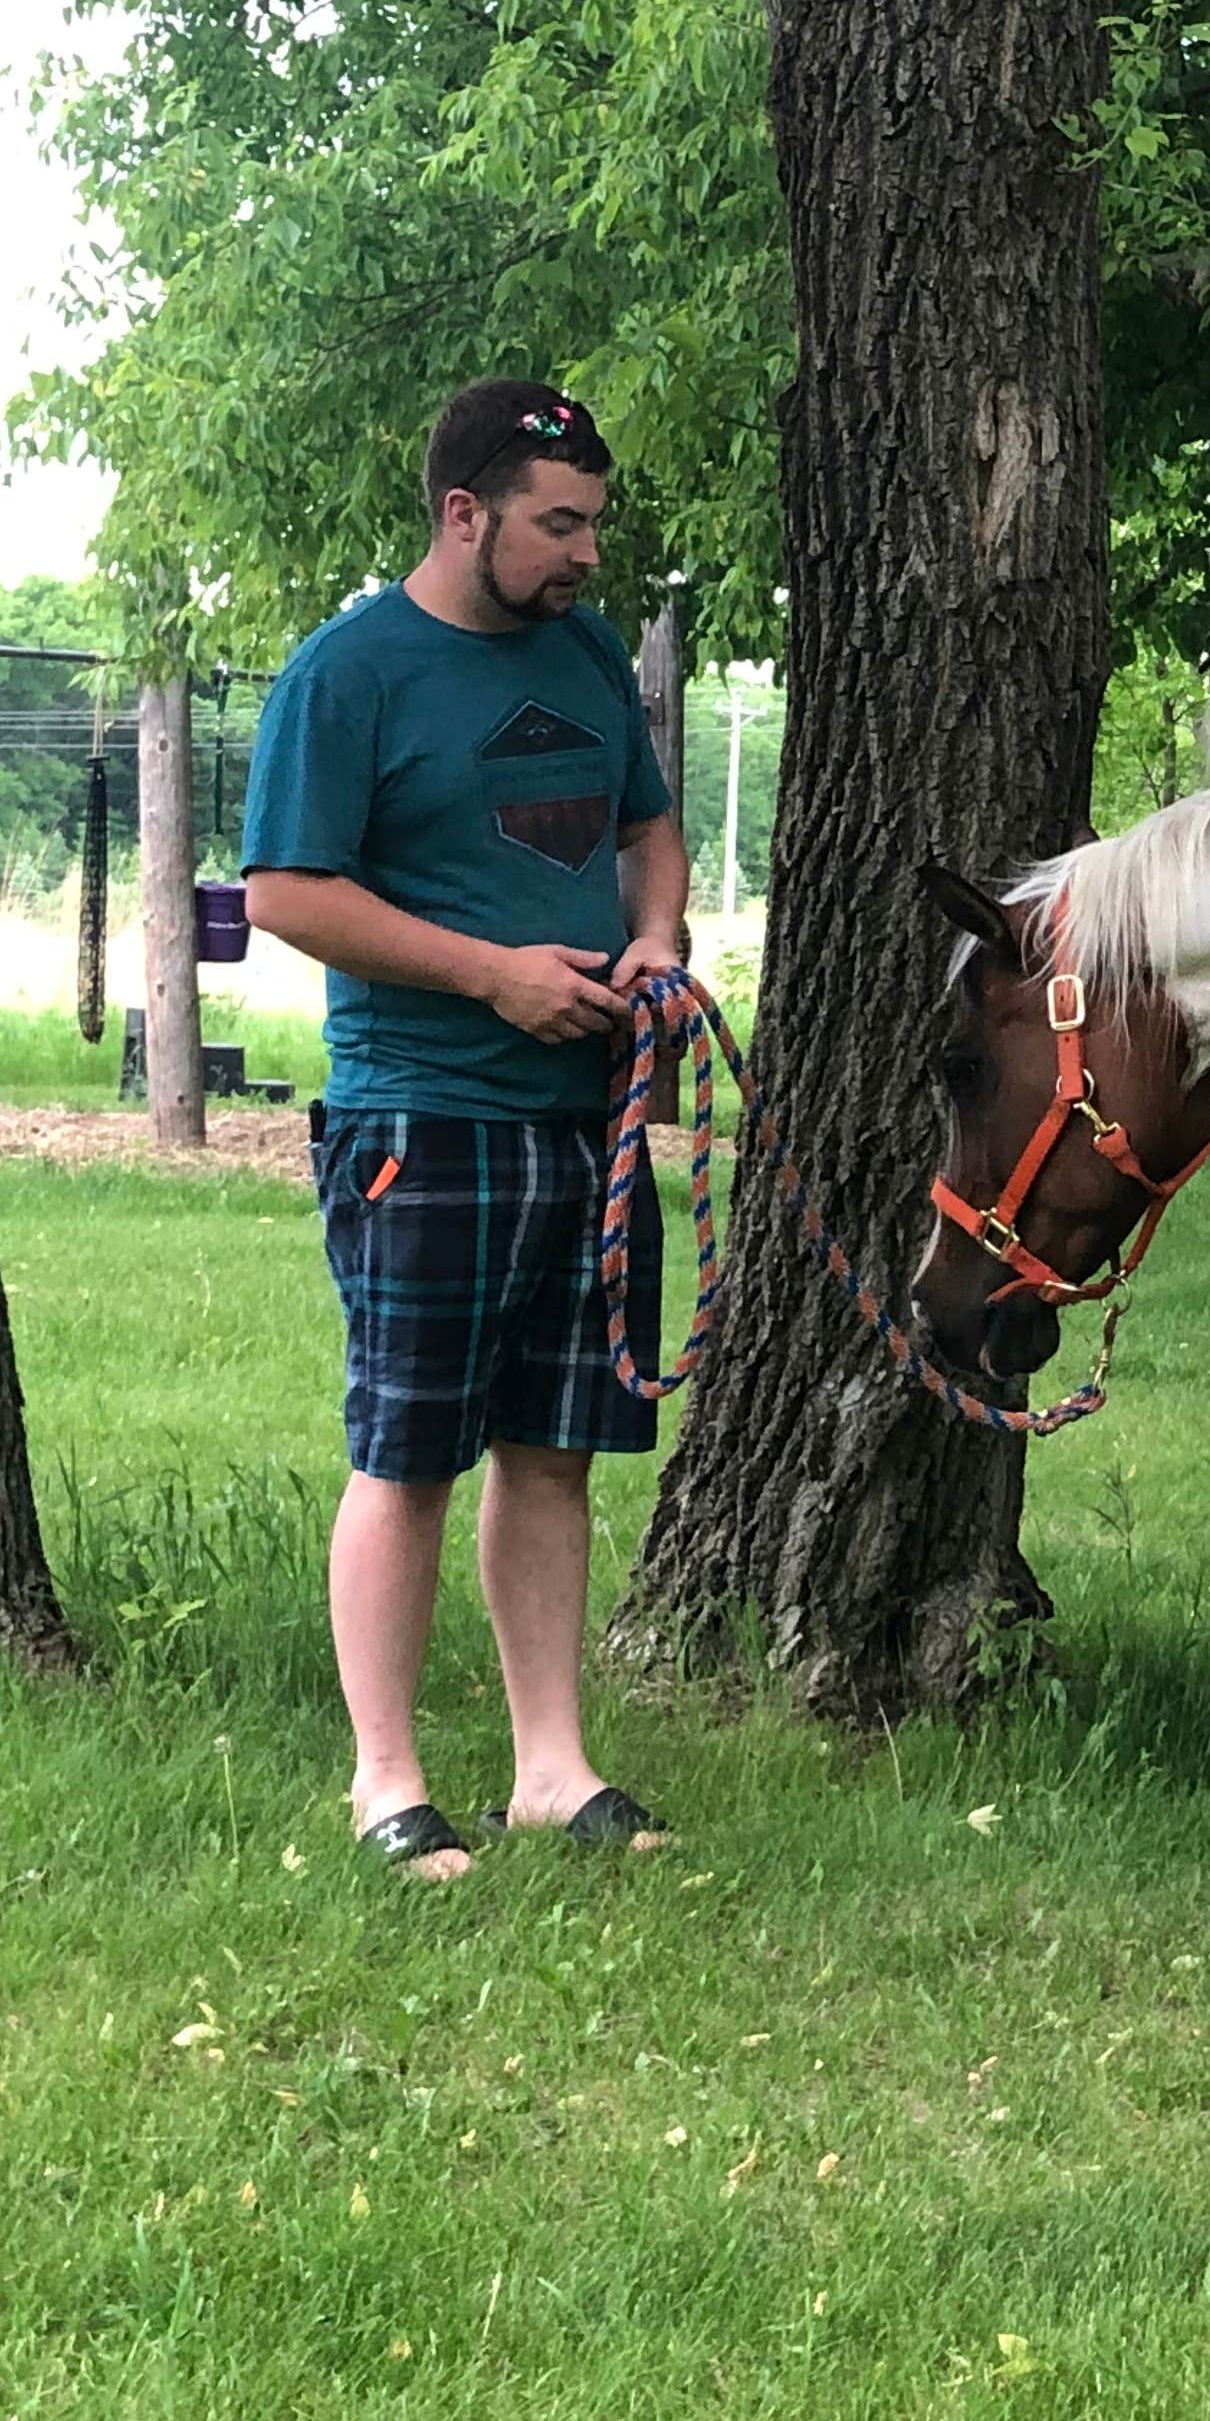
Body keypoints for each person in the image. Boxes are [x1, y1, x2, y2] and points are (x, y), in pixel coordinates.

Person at [240, 380, 691, 1881]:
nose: (583, 555)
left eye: (593, 526)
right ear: (462, 513)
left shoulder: (583, 655)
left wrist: (661, 937)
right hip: (419, 1120)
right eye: (557, 525)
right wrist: (492, 977)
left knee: (554, 1450)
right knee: (410, 1451)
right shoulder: (349, 673)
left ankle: (551, 1772)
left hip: (590, 1118)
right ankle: (387, 1787)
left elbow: (645, 826)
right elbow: (286, 895)